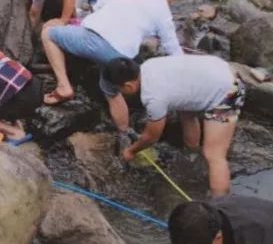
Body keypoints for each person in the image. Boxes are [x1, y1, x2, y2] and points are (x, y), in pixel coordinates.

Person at [102, 54, 245, 197]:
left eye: (119, 89)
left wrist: (131, 151)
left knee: (214, 154)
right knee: (186, 113)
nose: (119, 93)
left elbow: (151, 137)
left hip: (228, 91)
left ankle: (220, 204)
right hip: (218, 69)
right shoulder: (149, 65)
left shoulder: (153, 97)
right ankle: (192, 153)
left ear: (129, 86)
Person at [42, 0, 183, 114]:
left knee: (48, 33)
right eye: (170, 1)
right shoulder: (162, 7)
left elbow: (97, 6)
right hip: (120, 56)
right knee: (112, 93)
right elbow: (172, 46)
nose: (169, 4)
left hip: (93, 39)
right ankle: (124, 132)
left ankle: (64, 85)